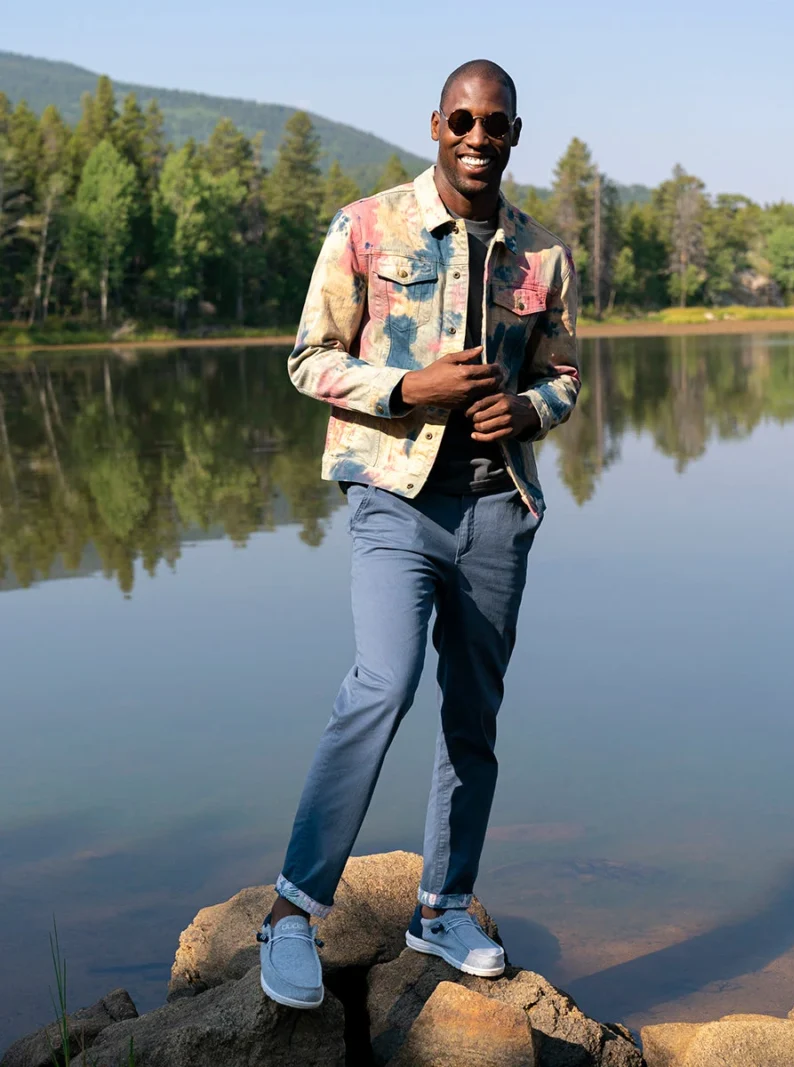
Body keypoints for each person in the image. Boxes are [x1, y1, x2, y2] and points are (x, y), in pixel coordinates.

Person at [258, 58, 580, 1010]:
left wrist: (527, 411)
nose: (479, 138)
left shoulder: (544, 255)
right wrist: (409, 388)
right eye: (462, 121)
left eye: (496, 124)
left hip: (495, 509)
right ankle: (291, 909)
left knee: (473, 714)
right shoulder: (368, 227)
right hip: (394, 501)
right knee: (382, 683)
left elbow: (564, 376)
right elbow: (308, 359)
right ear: (436, 125)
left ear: (514, 134)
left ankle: (441, 905)